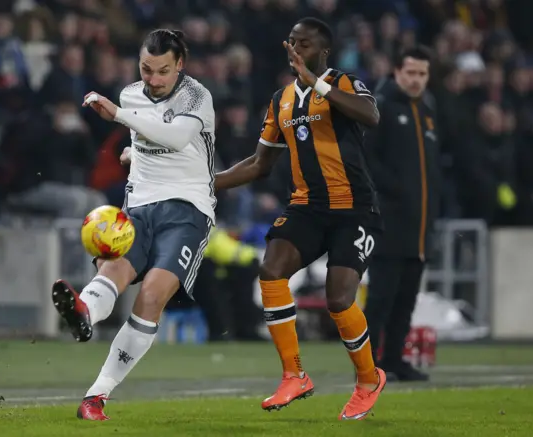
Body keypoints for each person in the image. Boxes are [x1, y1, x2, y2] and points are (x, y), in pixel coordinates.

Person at [214, 17, 386, 420]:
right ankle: (294, 375)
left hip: (354, 208)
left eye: (304, 44)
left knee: (339, 299)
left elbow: (370, 115)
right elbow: (259, 164)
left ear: (323, 51)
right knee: (271, 269)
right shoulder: (281, 100)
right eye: (291, 42)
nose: (295, 50)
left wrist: (317, 81)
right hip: (308, 207)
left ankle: (367, 379)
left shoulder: (342, 83)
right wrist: (208, 184)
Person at [50, 29, 216, 421]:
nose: (153, 79)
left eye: (162, 71)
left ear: (180, 66)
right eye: (146, 69)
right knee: (114, 270)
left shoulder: (196, 96)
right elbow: (145, 141)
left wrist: (120, 118)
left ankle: (96, 395)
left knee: (153, 295)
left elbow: (177, 139)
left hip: (188, 209)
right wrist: (132, 155)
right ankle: (84, 313)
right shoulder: (130, 94)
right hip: (139, 204)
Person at [363, 46, 441, 382]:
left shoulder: (426, 112)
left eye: (422, 74)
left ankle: (394, 359)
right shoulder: (379, 108)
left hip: (419, 225)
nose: (416, 80)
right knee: (381, 297)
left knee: (406, 298)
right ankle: (365, 365)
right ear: (396, 72)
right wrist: (394, 190)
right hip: (388, 222)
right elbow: (366, 158)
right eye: (410, 72)